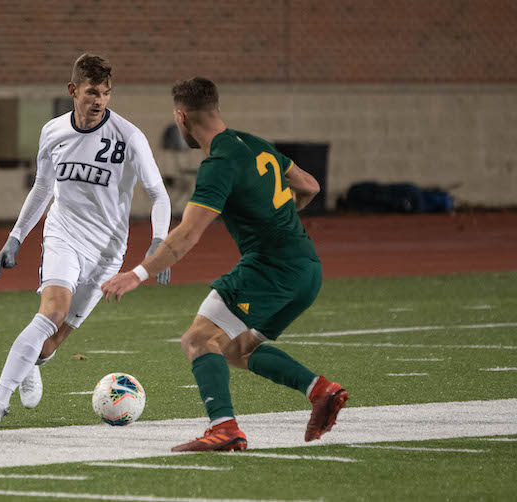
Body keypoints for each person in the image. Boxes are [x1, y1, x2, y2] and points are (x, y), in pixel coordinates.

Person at [101, 77, 348, 452]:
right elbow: (310, 186)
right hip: (307, 270)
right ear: (216, 109)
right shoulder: (254, 144)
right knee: (237, 349)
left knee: (198, 340)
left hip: (271, 270)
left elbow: (187, 235)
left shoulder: (218, 164)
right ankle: (321, 391)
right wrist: (276, 217)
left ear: (182, 117)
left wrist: (137, 274)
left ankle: (224, 428)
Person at [0, 53, 171, 426]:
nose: (99, 101)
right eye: (92, 92)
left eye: (106, 93)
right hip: (62, 235)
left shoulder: (129, 137)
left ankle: (33, 361)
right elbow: (43, 186)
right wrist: (16, 236)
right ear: (73, 90)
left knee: (50, 341)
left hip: (107, 253)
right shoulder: (53, 132)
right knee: (51, 312)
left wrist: (159, 240)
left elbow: (159, 194)